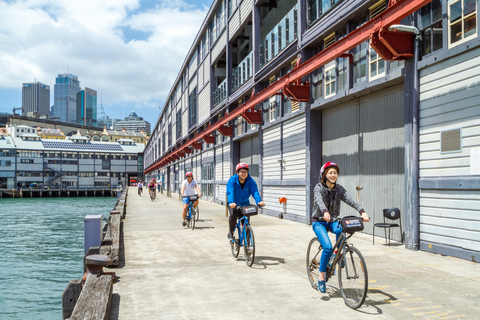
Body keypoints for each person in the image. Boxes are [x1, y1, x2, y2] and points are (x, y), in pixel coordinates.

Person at [312, 161, 370, 293]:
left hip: (332, 220)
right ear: (325, 174)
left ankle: (338, 254)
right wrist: (325, 211)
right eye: (330, 172)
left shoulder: (339, 189)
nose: (333, 175)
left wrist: (362, 211)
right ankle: (321, 278)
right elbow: (319, 201)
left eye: (335, 173)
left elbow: (350, 199)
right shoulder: (318, 187)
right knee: (327, 246)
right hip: (319, 221)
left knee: (342, 229)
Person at [226, 163, 265, 241]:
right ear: (237, 172)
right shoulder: (232, 180)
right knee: (233, 215)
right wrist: (231, 202)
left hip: (245, 204)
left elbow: (255, 192)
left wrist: (259, 201)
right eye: (241, 172)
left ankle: (247, 246)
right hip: (234, 204)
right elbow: (230, 191)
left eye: (245, 172)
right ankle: (231, 231)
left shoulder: (250, 181)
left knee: (246, 223)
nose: (243, 174)